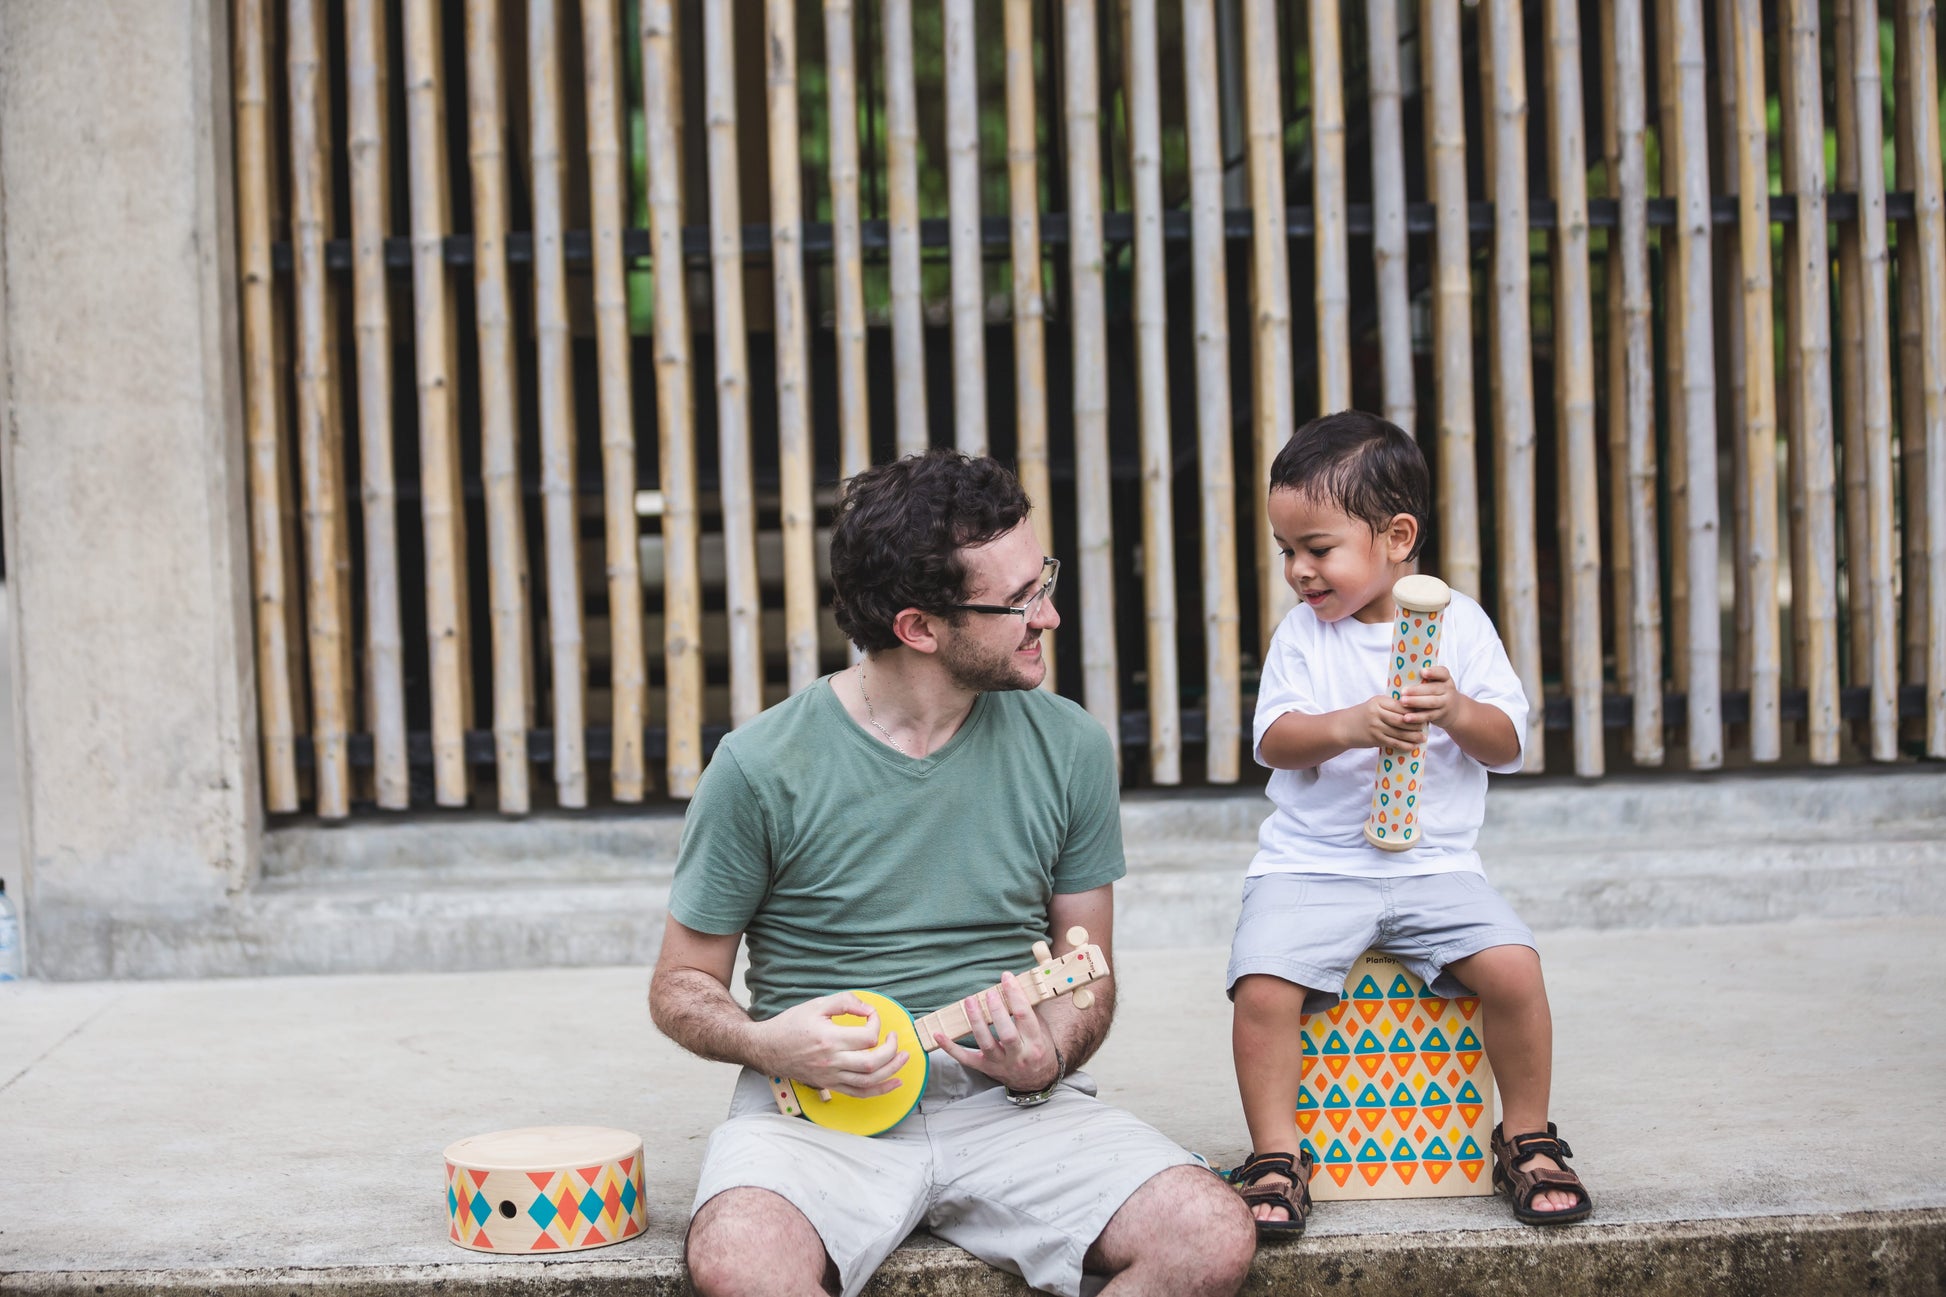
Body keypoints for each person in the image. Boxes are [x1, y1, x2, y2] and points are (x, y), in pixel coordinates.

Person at [651, 450, 1256, 1297]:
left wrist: (1049, 1052)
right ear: (919, 628)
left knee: (1209, 1232)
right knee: (738, 1258)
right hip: (813, 1116)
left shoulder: (1071, 746)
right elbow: (681, 984)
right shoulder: (759, 766)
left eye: (1043, 581)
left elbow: (1086, 970)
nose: (1049, 615)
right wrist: (767, 1041)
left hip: (1010, 1109)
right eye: (1020, 601)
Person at [1225, 411, 1593, 1238]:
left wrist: (1456, 709)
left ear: (1397, 537)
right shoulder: (1302, 636)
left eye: (1317, 548)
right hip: (1312, 865)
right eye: (1286, 549)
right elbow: (1273, 739)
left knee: (1515, 968)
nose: (1298, 570)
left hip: (1436, 866)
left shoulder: (1461, 625)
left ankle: (1527, 1135)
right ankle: (1276, 1153)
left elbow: (1508, 743)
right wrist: (1349, 724)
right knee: (1262, 986)